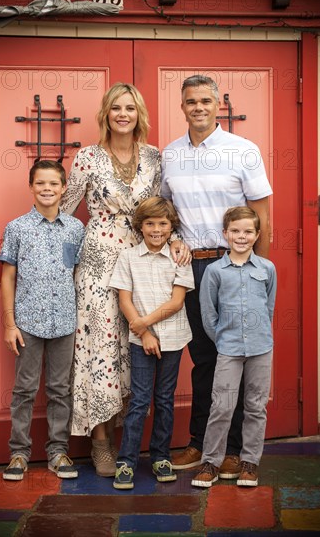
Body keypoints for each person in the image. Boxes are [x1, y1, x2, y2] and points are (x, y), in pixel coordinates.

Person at [60, 83, 190, 477]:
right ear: (106, 113)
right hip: (98, 261)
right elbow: (66, 213)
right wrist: (59, 268)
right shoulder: (87, 158)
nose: (122, 114)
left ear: (139, 114)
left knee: (138, 341)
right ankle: (101, 439)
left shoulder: (154, 157)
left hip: (145, 260)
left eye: (129, 108)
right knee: (100, 350)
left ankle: (133, 438)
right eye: (115, 107)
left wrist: (178, 238)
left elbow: (168, 207)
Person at [161, 74, 273, 478]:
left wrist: (256, 270)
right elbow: (167, 209)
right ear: (183, 106)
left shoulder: (242, 151)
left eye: (206, 101)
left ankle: (235, 450)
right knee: (206, 359)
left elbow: (262, 214)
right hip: (192, 270)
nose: (199, 108)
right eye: (191, 101)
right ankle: (200, 444)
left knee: (238, 355)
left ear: (217, 104)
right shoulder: (171, 155)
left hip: (235, 265)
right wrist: (174, 237)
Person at [0, 160, 85, 481]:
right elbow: (8, 277)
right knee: (24, 389)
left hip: (65, 323)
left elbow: (77, 272)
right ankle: (19, 453)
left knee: (60, 389)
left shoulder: (76, 229)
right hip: (27, 325)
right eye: (40, 184)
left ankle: (57, 451)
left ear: (64, 188)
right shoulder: (18, 228)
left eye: (53, 184)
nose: (47, 189)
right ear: (31, 187)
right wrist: (10, 323)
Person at [108, 197, 194, 489]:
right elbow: (124, 299)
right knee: (140, 400)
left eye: (163, 224)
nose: (156, 229)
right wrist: (143, 332)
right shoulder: (129, 257)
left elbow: (177, 301)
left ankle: (160, 457)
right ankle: (126, 462)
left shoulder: (180, 258)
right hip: (140, 341)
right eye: (150, 223)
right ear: (140, 226)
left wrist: (146, 323)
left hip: (173, 338)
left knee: (164, 399)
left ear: (171, 228)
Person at [192, 206, 277, 487]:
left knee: (255, 406)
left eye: (248, 231)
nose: (242, 236)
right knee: (222, 406)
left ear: (257, 235)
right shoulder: (215, 271)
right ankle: (211, 462)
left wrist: (259, 333)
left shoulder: (267, 269)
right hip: (228, 349)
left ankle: (249, 462)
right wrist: (224, 341)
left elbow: (269, 306)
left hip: (260, 348)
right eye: (236, 231)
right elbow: (208, 314)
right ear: (226, 233)